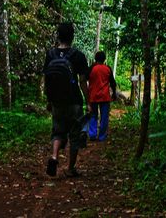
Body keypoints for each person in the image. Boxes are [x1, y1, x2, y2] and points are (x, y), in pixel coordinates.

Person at [43, 23, 91, 177]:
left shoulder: (50, 54)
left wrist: (49, 100)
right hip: (74, 101)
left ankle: (54, 156)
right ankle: (70, 168)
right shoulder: (78, 55)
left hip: (57, 101)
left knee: (58, 131)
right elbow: (83, 81)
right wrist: (88, 101)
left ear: (58, 36)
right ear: (72, 36)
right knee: (74, 134)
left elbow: (47, 79)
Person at [88, 51, 117, 142]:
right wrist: (114, 93)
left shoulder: (92, 68)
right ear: (104, 59)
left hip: (93, 96)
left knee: (93, 115)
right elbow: (112, 82)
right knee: (104, 117)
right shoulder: (107, 68)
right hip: (105, 97)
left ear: (95, 59)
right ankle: (102, 136)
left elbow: (85, 78)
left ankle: (92, 135)